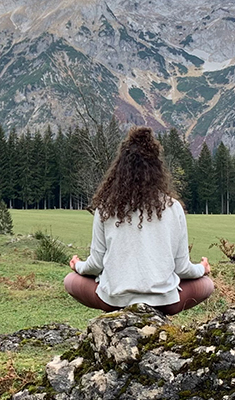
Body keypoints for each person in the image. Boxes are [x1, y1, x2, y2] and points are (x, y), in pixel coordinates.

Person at [64, 127, 214, 315]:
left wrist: (77, 264)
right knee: (206, 284)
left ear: (119, 168)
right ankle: (156, 315)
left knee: (70, 281)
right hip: (164, 303)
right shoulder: (173, 207)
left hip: (115, 301)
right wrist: (202, 268)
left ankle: (118, 315)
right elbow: (182, 269)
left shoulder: (106, 207)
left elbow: (95, 265)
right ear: (157, 169)